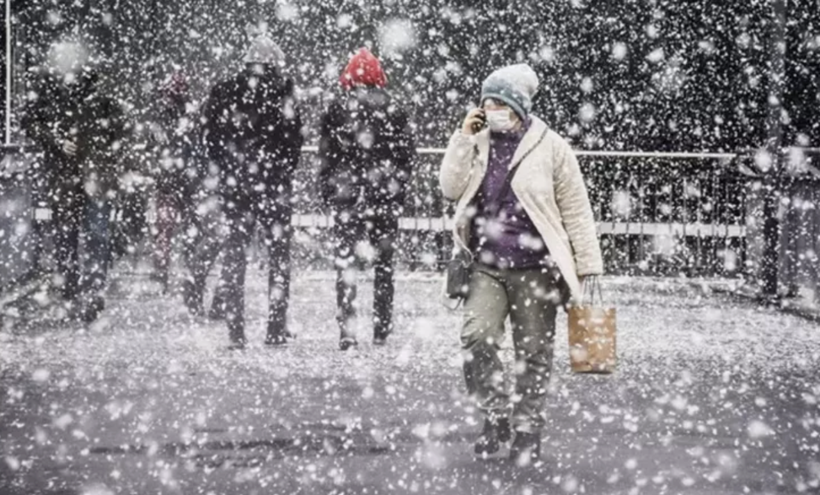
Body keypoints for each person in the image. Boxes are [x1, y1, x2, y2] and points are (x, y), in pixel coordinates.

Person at [439, 64, 603, 464]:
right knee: (476, 337)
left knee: (533, 352)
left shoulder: (551, 147)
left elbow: (576, 210)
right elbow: (449, 187)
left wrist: (588, 265)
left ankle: (527, 429)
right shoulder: (477, 141)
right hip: (486, 264)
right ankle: (494, 415)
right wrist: (463, 137)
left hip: (536, 268)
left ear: (518, 104)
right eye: (486, 102)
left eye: (499, 102)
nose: (491, 109)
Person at [200, 34, 303, 349]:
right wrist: (280, 169)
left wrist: (229, 169)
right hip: (273, 186)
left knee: (235, 254)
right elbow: (293, 140)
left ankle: (236, 331)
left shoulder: (225, 91)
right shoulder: (283, 93)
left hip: (236, 186)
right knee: (278, 257)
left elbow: (210, 137)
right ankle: (274, 327)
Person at [318, 48, 415, 350]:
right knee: (384, 265)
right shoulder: (395, 109)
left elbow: (327, 156)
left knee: (346, 264)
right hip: (384, 197)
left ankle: (348, 330)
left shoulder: (336, 109)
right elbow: (405, 157)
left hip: (348, 198)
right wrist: (397, 188)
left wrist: (329, 189)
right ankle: (381, 327)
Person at [21, 52, 125, 323]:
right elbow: (29, 122)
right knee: (78, 238)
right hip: (75, 178)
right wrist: (57, 141)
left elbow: (119, 135)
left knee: (87, 237)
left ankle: (85, 293)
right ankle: (79, 292)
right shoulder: (57, 97)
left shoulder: (98, 101)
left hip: (86, 179)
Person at [149, 71, 199, 291]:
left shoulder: (162, 115)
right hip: (187, 178)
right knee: (187, 230)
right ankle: (188, 272)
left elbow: (156, 144)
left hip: (170, 178)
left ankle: (162, 274)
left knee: (165, 230)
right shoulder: (191, 113)